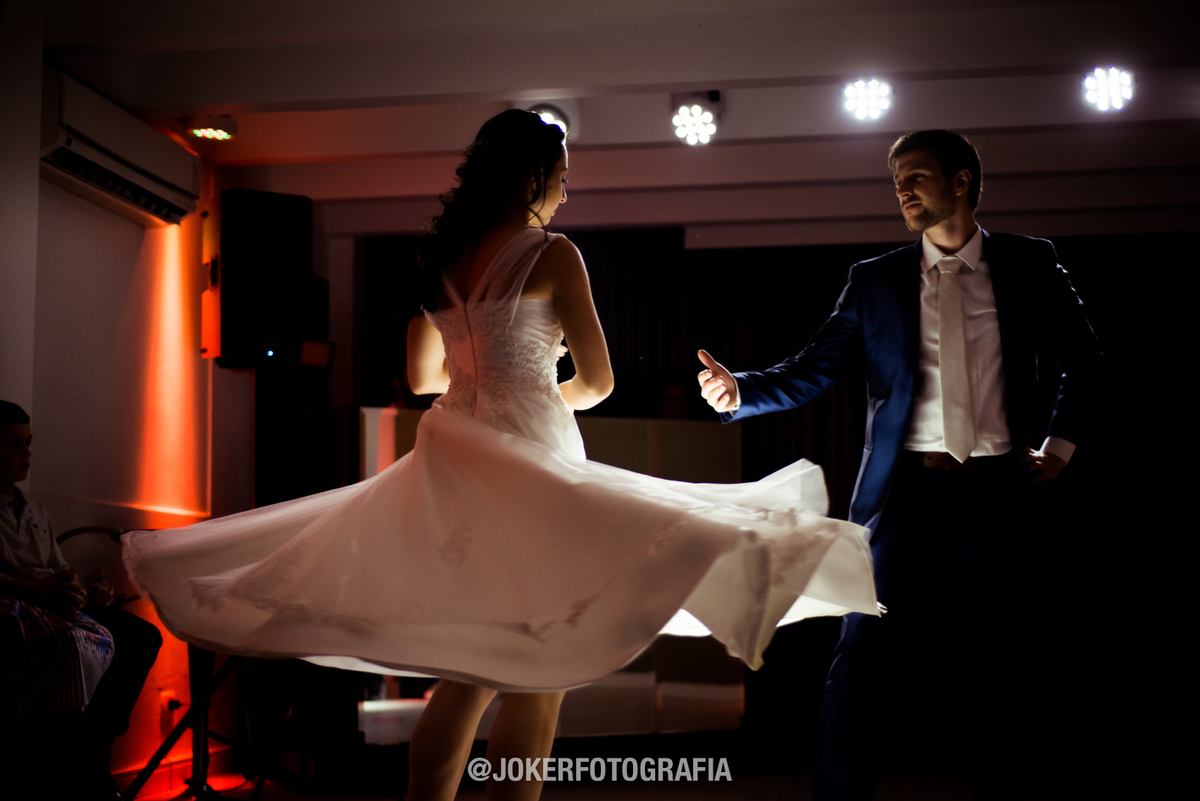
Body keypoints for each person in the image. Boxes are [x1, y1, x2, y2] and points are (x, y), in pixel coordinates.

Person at [124, 110, 878, 801]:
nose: (565, 191)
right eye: (562, 177)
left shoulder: (443, 261)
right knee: (540, 673)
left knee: (467, 670)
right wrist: (544, 386)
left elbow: (423, 378)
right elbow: (600, 383)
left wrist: (483, 374)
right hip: (533, 459)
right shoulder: (552, 253)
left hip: (458, 461)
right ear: (531, 179)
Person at [698, 130, 1104, 800]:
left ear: (962, 181)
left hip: (998, 488)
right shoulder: (875, 280)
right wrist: (740, 391)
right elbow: (813, 368)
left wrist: (1059, 447)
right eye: (897, 181)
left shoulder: (1030, 264)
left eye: (916, 176)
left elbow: (1084, 361)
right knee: (860, 653)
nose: (902, 190)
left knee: (1002, 658)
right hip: (903, 491)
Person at [0, 400, 163, 800]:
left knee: (143, 637)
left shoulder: (33, 507)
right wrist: (38, 590)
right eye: (15, 444)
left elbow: (59, 567)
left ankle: (95, 744)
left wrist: (90, 592)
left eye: (29, 443)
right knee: (72, 646)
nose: (27, 453)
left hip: (55, 599)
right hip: (23, 601)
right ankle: (78, 763)